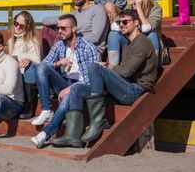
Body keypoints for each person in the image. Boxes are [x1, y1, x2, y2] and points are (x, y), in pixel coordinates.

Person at [48, 9, 157, 148]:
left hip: (136, 90)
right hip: (126, 85)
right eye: (119, 22)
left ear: (136, 23)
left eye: (125, 22)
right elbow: (123, 71)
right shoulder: (129, 43)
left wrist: (105, 65)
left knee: (95, 67)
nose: (121, 25)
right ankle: (72, 135)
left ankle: (98, 121)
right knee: (77, 88)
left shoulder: (142, 42)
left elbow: (126, 71)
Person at [30, 14, 99, 129]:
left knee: (66, 100)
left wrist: (70, 88)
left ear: (74, 28)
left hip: (81, 85)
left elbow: (90, 80)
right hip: (63, 82)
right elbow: (45, 64)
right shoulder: (59, 45)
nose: (60, 31)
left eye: (64, 28)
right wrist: (57, 63)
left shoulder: (88, 48)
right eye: (58, 28)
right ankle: (46, 109)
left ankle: (45, 134)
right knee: (41, 66)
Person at [41, 0, 108, 57]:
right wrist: (61, 22)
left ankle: (53, 61)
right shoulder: (73, 14)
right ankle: (48, 60)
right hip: (71, 47)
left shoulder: (98, 9)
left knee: (62, 37)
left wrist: (71, 39)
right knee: (46, 29)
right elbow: (45, 20)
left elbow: (95, 38)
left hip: (90, 49)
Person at [107, 0, 162, 65]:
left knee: (151, 34)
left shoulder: (155, 7)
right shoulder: (129, 7)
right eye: (129, 0)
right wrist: (124, 27)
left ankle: (153, 67)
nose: (130, 3)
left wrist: (139, 9)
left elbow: (146, 28)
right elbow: (114, 25)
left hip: (147, 45)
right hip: (132, 43)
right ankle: (112, 68)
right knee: (113, 34)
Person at [8, 11, 41, 119]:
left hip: (27, 76)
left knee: (31, 68)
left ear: (27, 27)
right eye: (16, 23)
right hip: (15, 75)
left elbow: (38, 62)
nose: (17, 27)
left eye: (21, 26)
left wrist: (29, 59)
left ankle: (29, 105)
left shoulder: (33, 41)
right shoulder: (11, 41)